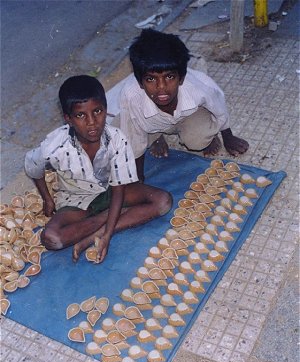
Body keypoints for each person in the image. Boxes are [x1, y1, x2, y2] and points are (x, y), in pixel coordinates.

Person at [25, 75, 172, 263]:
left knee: (163, 201)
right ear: (68, 119)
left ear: (105, 109)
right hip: (77, 201)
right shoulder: (54, 146)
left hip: (111, 191)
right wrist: (47, 199)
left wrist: (107, 235)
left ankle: (100, 230)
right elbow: (32, 165)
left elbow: (118, 189)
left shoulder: (117, 139)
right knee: (52, 239)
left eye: (97, 111)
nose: (92, 122)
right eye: (80, 115)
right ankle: (107, 217)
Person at [116, 29, 249, 182]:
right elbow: (133, 139)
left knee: (197, 142)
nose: (161, 87)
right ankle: (156, 136)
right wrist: (139, 178)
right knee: (121, 136)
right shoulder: (131, 96)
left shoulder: (196, 88)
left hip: (187, 116)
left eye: (170, 77)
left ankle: (203, 133)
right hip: (151, 121)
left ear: (181, 78)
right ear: (140, 82)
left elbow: (217, 104)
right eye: (151, 79)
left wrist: (228, 136)